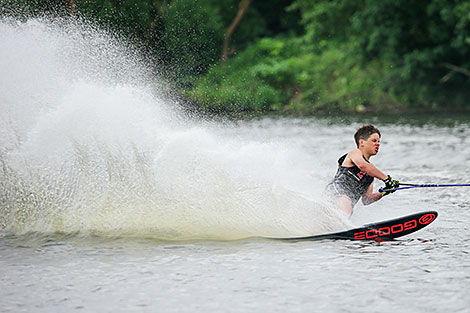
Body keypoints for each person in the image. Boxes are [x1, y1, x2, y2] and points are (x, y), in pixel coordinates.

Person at [325, 124, 399, 216]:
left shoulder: (371, 174)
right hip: (335, 193)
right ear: (361, 142)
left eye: (379, 141)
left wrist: (384, 192)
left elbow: (366, 199)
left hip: (346, 204)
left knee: (347, 208)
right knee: (346, 207)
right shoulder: (355, 153)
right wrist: (387, 179)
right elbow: (362, 165)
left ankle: (337, 228)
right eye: (374, 140)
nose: (378, 144)